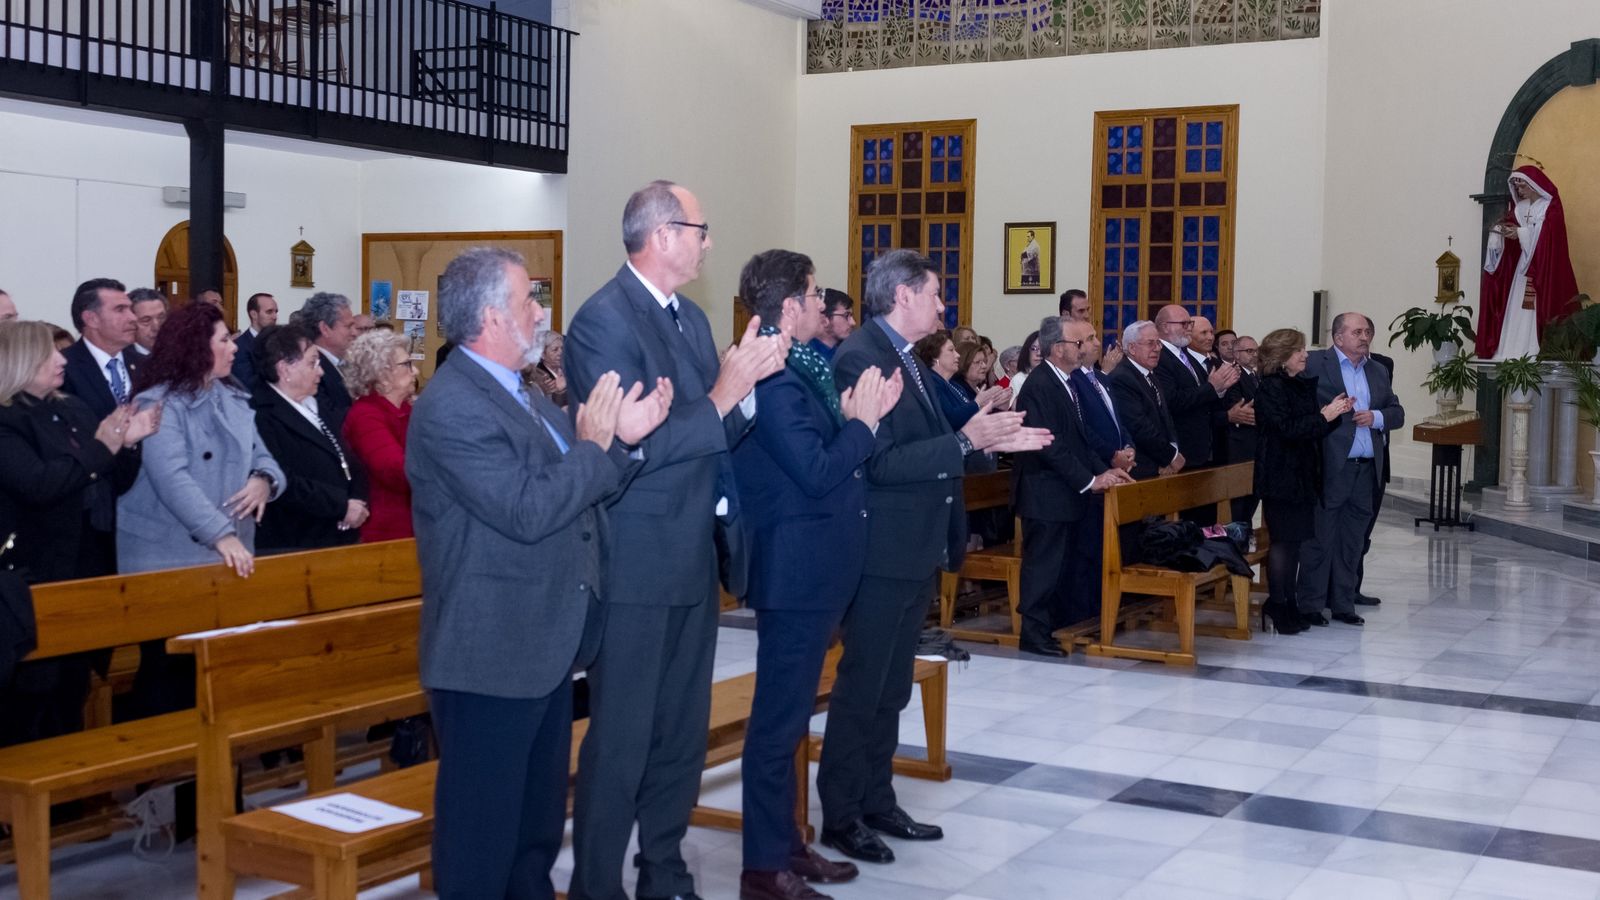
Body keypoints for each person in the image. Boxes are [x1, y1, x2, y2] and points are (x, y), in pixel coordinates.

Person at [407, 246, 668, 900]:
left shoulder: (521, 394)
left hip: (542, 644)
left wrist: (623, 439)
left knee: (534, 835)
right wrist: (596, 446)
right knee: (481, 842)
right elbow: (527, 510)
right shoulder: (453, 406)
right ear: (493, 317)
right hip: (490, 652)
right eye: (529, 300)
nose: (541, 312)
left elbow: (580, 484)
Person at [565, 180, 785, 900]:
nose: (708, 242)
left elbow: (708, 432)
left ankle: (664, 868)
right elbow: (630, 449)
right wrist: (723, 396)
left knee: (681, 733)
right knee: (623, 737)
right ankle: (598, 883)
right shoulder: (602, 321)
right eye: (699, 229)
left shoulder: (689, 316)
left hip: (692, 553)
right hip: (636, 561)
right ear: (662, 235)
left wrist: (746, 391)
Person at [818, 249, 1050, 866]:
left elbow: (934, 443)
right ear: (902, 296)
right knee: (864, 684)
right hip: (881, 547)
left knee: (892, 685)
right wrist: (966, 440)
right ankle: (841, 814)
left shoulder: (907, 358)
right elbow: (877, 461)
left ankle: (877, 800)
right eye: (935, 294)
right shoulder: (862, 357)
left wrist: (984, 437)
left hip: (914, 544)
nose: (943, 306)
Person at [731, 249, 899, 900]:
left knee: (793, 716)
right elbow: (817, 469)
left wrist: (853, 417)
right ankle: (762, 867)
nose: (823, 304)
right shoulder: (775, 378)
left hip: (819, 567)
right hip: (795, 573)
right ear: (790, 305)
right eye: (814, 293)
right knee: (777, 724)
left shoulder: (805, 366)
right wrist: (864, 424)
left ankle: (788, 845)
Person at [118, 302, 284, 717]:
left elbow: (265, 457)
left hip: (227, 556)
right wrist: (220, 535)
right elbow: (171, 478)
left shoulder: (233, 398)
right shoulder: (158, 402)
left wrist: (263, 480)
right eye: (224, 340)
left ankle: (212, 756)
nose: (234, 347)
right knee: (169, 674)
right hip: (169, 556)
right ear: (196, 346)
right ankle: (157, 755)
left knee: (217, 671)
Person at [0, 321, 158, 744]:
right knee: (30, 697)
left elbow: (111, 482)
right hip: (32, 573)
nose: (61, 359)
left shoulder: (71, 408)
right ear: (20, 360)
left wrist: (127, 443)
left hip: (86, 561)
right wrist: (103, 446)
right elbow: (39, 485)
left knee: (72, 688)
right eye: (49, 354)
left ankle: (69, 780)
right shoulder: (7, 421)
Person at [1012, 316, 1132, 655]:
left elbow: (1079, 439)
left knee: (1059, 567)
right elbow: (1050, 443)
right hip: (1044, 492)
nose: (1082, 350)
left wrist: (1107, 470)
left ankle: (1051, 627)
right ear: (1057, 348)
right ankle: (1033, 635)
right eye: (1077, 344)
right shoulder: (1040, 385)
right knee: (1043, 567)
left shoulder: (1066, 381)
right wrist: (1090, 480)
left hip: (1063, 492)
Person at [1295, 312, 1403, 627]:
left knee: (1353, 540)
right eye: (1357, 332)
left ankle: (1343, 603)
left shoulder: (1378, 370)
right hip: (1330, 465)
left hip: (1366, 470)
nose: (1364, 337)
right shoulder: (1315, 363)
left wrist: (1376, 417)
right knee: (1320, 538)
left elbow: (1397, 411)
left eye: (1367, 332)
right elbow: (1296, 404)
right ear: (1338, 337)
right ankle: (1311, 604)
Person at [1252, 328, 1352, 634]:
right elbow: (1286, 430)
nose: (1305, 355)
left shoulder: (1297, 384)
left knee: (1296, 544)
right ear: (1283, 357)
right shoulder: (1271, 387)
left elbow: (1309, 429)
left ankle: (1289, 602)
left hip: (1302, 475)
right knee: (1283, 543)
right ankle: (1278, 604)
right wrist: (1324, 416)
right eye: (1299, 351)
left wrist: (1333, 414)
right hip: (1281, 476)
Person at [251, 324, 369, 553]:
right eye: (312, 363)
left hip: (342, 529)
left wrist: (357, 498)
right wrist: (341, 506)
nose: (321, 371)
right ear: (285, 369)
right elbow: (283, 479)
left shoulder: (316, 403)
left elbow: (346, 456)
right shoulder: (261, 413)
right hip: (296, 539)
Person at [59, 278, 142, 575]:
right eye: (120, 309)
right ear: (90, 318)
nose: (132, 318)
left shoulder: (146, 365)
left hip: (145, 505)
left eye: (130, 308)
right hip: (95, 510)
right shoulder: (63, 369)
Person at [1479, 166, 1580, 360]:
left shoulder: (1549, 206)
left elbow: (1549, 235)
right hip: (1522, 269)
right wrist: (1499, 232)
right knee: (1516, 308)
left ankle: (1533, 350)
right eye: (1517, 187)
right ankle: (1511, 351)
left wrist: (1520, 233)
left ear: (1534, 185)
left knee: (1536, 308)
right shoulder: (1521, 208)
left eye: (1522, 186)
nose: (1519, 191)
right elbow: (1508, 224)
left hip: (1543, 268)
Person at [342, 331, 416, 542]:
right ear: (382, 375)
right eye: (407, 364)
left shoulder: (407, 409)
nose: (415, 371)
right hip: (387, 530)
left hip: (414, 520)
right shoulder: (366, 415)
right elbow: (396, 470)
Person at [1107, 321, 1182, 481]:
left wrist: (1173, 451)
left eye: (1158, 343)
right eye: (1150, 343)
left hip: (1160, 465)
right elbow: (1139, 427)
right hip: (1141, 468)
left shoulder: (1150, 374)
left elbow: (1165, 419)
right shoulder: (1122, 378)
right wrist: (1170, 456)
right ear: (1132, 348)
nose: (1157, 348)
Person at [295, 292, 358, 435]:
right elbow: (330, 417)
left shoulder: (345, 363)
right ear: (325, 328)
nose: (354, 333)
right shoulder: (312, 369)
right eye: (348, 326)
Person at [1225, 334, 1262, 522]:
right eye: (1249, 351)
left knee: (1253, 496)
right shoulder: (1234, 375)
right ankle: (1239, 534)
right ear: (1236, 354)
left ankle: (1246, 532)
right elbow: (1237, 406)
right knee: (1239, 501)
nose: (1254, 354)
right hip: (1241, 446)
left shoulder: (1257, 376)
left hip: (1257, 444)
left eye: (1256, 350)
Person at [233, 292, 278, 392]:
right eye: (269, 312)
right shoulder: (240, 346)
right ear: (254, 314)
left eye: (276, 312)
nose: (275, 317)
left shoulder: (279, 342)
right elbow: (247, 384)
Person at [809, 289, 856, 361]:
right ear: (824, 320)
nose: (853, 322)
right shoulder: (808, 355)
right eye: (846, 316)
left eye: (851, 316)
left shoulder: (848, 350)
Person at [530, 330, 567, 408]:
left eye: (562, 348)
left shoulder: (568, 371)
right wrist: (559, 391)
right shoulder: (539, 378)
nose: (561, 353)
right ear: (542, 354)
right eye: (555, 350)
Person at [127, 288, 168, 358]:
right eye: (146, 320)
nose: (156, 327)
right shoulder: (122, 359)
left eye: (161, 318)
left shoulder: (180, 353)